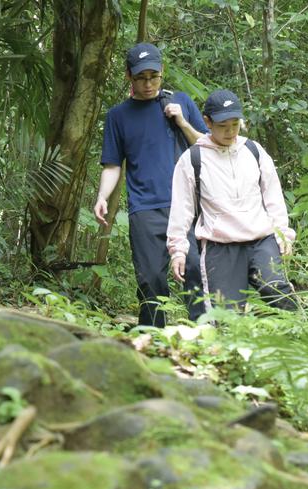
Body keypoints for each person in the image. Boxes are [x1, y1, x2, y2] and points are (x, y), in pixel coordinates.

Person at [93, 42, 208, 327]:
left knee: (195, 268)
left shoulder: (179, 102)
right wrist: (102, 197)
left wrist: (181, 121)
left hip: (186, 204)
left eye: (153, 77)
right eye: (141, 78)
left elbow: (206, 147)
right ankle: (152, 337)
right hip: (144, 208)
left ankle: (206, 334)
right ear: (128, 76)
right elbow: (112, 164)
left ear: (162, 72)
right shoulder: (118, 116)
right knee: (151, 278)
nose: (148, 84)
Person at [167, 88, 297, 312]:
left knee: (277, 292)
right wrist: (178, 250)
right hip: (220, 246)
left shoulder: (254, 151)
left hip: (261, 240)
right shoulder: (193, 159)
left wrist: (282, 234)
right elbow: (182, 210)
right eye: (223, 126)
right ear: (207, 122)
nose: (230, 132)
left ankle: (302, 342)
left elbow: (273, 195)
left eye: (235, 124)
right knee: (227, 316)